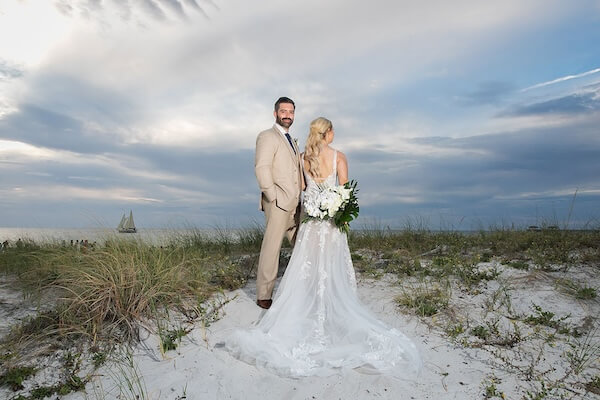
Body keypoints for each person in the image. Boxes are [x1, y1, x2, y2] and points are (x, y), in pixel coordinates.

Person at [225, 117, 421, 377]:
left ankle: (309, 305)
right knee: (331, 266)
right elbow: (345, 192)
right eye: (333, 130)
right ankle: (331, 307)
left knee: (308, 265)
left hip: (310, 226)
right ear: (327, 133)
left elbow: (303, 188)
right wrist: (335, 205)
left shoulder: (304, 157)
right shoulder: (339, 156)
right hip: (331, 227)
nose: (334, 133)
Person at [254, 96, 303, 309]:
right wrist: (272, 196)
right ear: (275, 113)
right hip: (277, 202)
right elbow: (262, 167)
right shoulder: (267, 136)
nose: (287, 115)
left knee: (303, 245)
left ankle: (304, 286)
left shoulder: (292, 140)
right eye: (283, 111)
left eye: (291, 112)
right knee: (272, 248)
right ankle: (263, 295)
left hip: (295, 202)